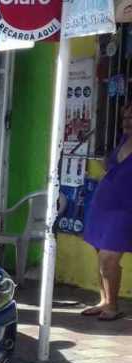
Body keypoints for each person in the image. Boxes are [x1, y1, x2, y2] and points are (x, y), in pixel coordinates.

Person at [81, 103, 132, 322]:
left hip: (124, 209)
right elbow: (111, 165)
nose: (127, 122)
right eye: (125, 118)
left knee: (108, 258)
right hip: (103, 206)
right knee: (99, 253)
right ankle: (104, 300)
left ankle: (113, 306)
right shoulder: (123, 140)